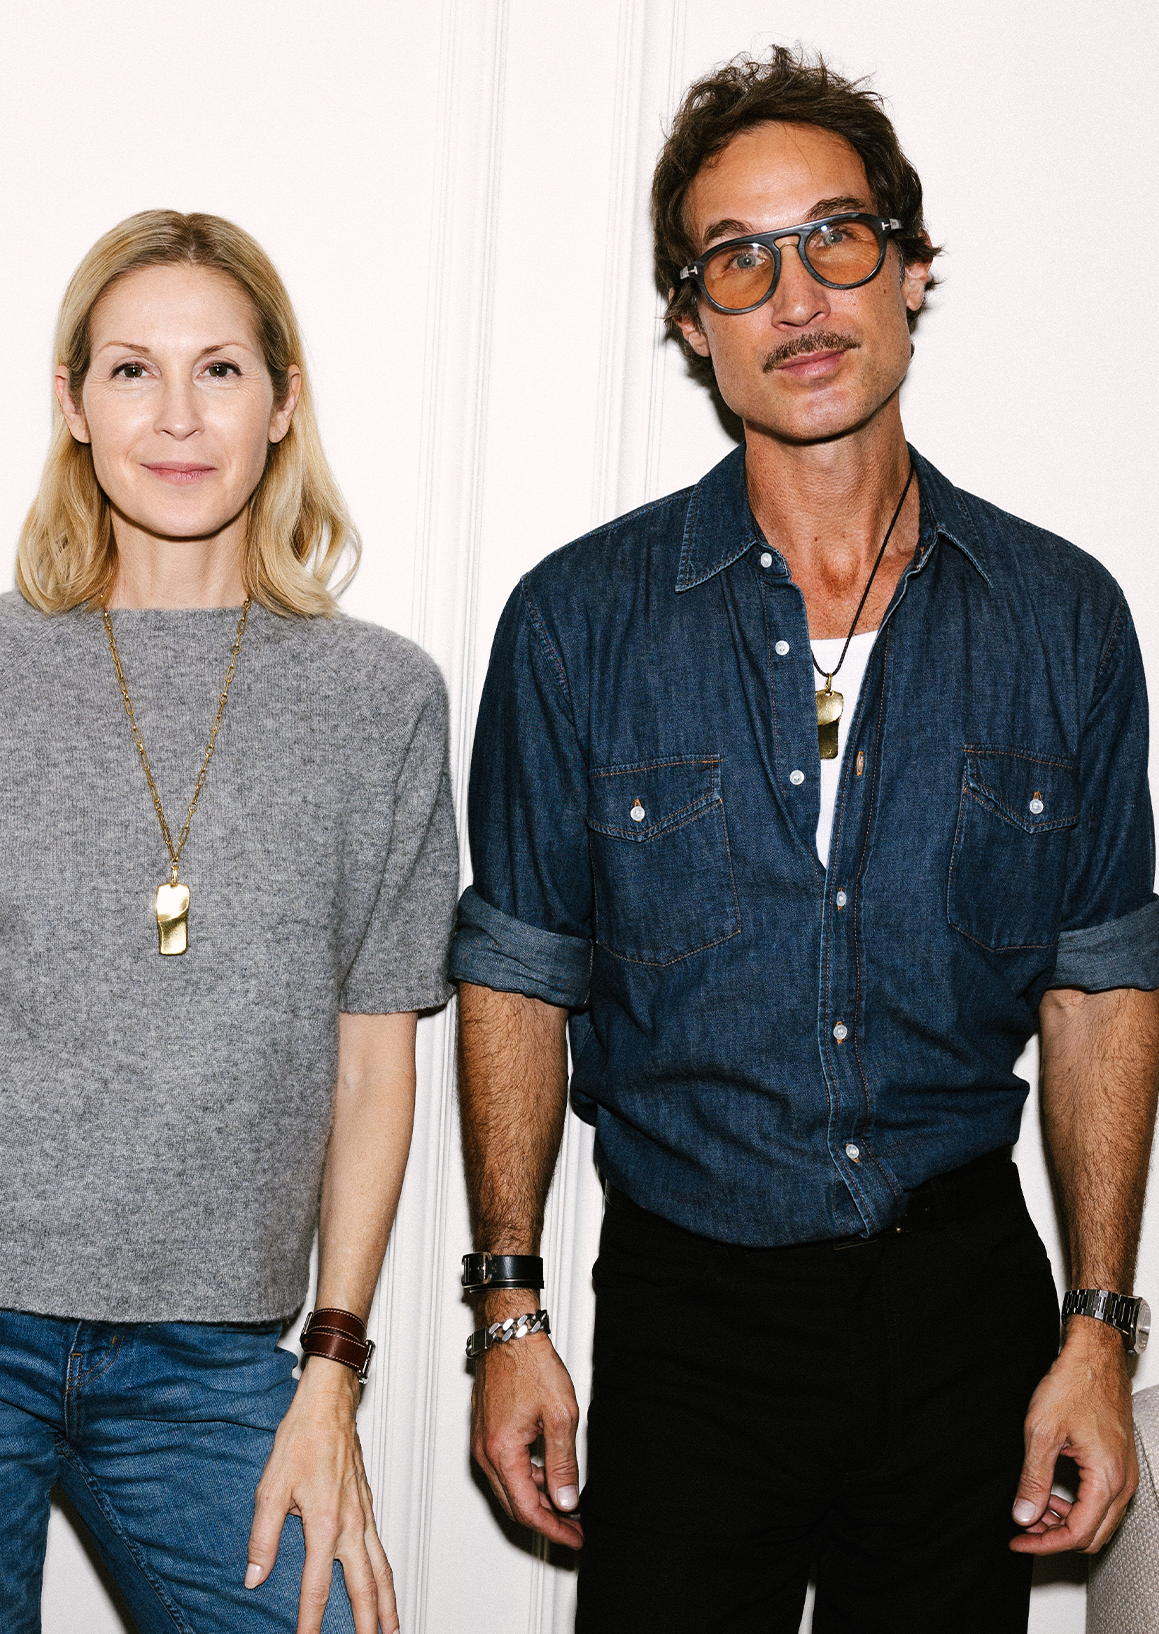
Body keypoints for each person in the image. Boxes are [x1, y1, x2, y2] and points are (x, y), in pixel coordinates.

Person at [451, 46, 1159, 1633]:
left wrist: (1100, 1332)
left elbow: (1101, 983)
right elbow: (517, 973)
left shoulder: (1062, 619)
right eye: (739, 260)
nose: (798, 298)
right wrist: (508, 1312)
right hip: (692, 1309)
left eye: (836, 238)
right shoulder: (578, 622)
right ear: (691, 320)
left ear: (911, 267)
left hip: (966, 1302)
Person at [0, 210, 457, 1634]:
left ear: (283, 401)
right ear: (74, 405)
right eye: (132, 371)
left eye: (220, 370)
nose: (177, 417)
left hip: (210, 1352)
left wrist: (333, 1369)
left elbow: (373, 1068)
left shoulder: (382, 701)